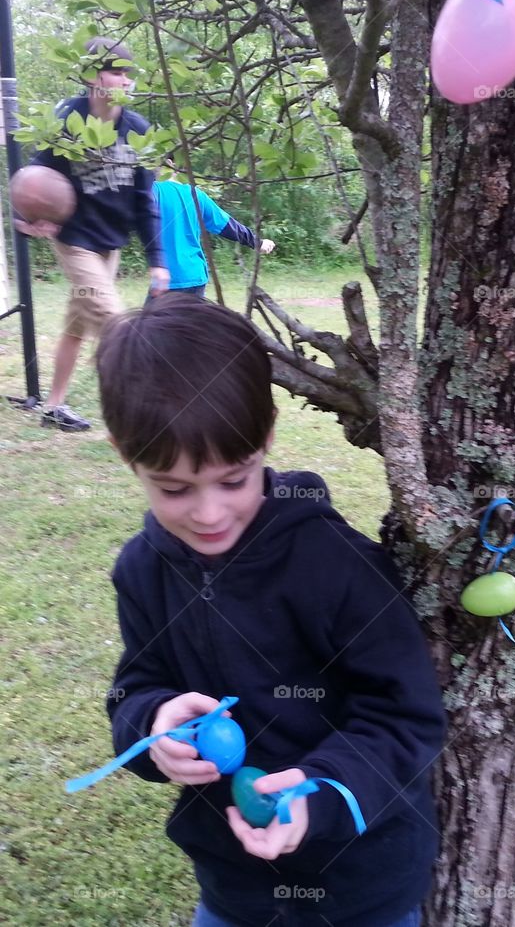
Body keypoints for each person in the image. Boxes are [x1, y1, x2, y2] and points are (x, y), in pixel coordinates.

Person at [95, 293, 445, 927]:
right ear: (127, 455)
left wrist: (319, 794)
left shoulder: (336, 565)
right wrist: (153, 728)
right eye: (174, 488)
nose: (208, 513)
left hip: (363, 885)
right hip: (235, 890)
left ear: (266, 437)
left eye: (234, 478)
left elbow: (405, 718)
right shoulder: (142, 571)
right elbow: (135, 688)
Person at [16, 37, 169, 433]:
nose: (125, 79)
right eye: (115, 71)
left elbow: (145, 202)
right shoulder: (68, 119)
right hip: (76, 240)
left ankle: (53, 406)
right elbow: (36, 178)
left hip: (109, 244)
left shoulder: (137, 130)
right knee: (114, 322)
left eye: (127, 72)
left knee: (77, 323)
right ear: (91, 76)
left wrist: (158, 261)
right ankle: (145, 413)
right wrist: (31, 217)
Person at [153, 167, 277, 297]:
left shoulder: (151, 192)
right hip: (195, 277)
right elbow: (227, 225)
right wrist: (257, 242)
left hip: (166, 279)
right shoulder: (195, 194)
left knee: (150, 317)